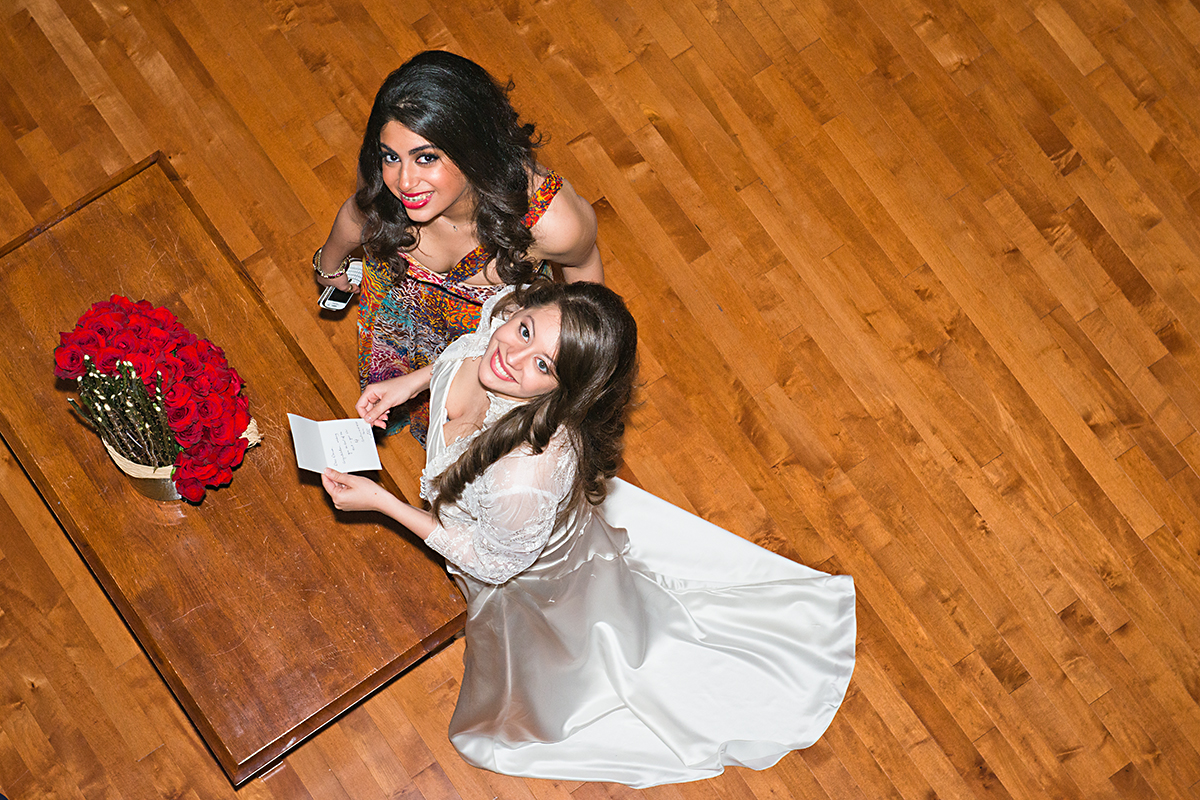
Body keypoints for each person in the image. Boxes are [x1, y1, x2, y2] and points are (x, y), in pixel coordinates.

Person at [321, 281, 857, 788]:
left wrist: (383, 504)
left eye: (543, 365)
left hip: (526, 571)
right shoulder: (507, 323)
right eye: (526, 331)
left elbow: (492, 563)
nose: (511, 353)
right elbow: (478, 341)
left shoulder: (522, 475)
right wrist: (410, 382)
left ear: (562, 392)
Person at [313, 50, 603, 446]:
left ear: (474, 148)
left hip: (486, 338)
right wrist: (328, 267)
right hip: (397, 315)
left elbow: (586, 281)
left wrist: (573, 370)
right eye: (391, 157)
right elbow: (358, 213)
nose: (405, 182)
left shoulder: (552, 222)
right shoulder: (390, 182)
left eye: (426, 158)